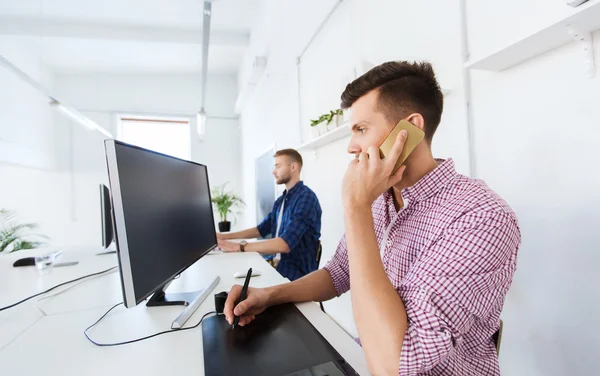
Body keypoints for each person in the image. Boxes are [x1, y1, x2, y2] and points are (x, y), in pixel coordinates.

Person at [223, 61, 521, 375]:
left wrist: (355, 208)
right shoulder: (380, 199)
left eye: (361, 129)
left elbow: (396, 365)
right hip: (363, 358)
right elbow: (338, 273)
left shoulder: (480, 217)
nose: (352, 147)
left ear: (410, 130)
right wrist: (270, 296)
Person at [217, 148, 322, 281]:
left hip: (296, 275)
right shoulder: (281, 201)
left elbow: (285, 244)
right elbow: (261, 230)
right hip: (277, 266)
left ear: (293, 167)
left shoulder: (306, 198)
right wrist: (224, 236)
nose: (273, 171)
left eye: (278, 166)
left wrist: (240, 247)